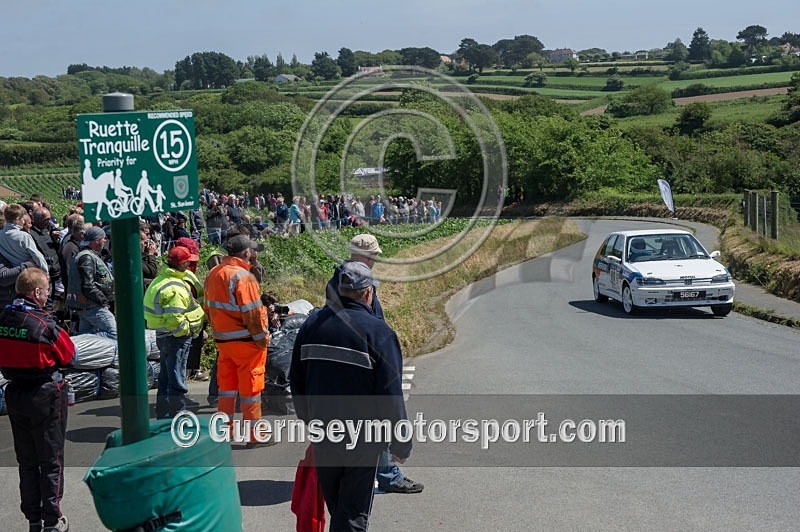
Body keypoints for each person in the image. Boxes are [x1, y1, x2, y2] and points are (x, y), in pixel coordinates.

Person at [291, 261, 412, 531]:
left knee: (338, 506)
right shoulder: (379, 332)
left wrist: (310, 420)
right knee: (352, 513)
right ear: (368, 293)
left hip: (323, 431)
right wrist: (400, 443)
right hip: (363, 438)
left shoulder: (312, 324)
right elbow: (390, 395)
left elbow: (296, 378)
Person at [325, 234, 424, 495]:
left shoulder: (347, 279)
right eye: (372, 255)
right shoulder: (347, 282)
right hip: (361, 363)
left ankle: (376, 473)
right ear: (359, 254)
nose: (375, 260)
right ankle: (388, 475)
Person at [0, 268, 75, 532]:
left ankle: (33, 518)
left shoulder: (4, 317)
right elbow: (68, 355)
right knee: (51, 459)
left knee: (27, 460)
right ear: (37, 292)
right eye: (46, 291)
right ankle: (53, 521)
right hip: (45, 393)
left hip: (15, 392)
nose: (47, 296)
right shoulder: (44, 324)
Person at [203, 235, 272, 447]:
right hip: (246, 343)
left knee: (227, 389)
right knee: (251, 390)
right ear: (245, 253)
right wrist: (263, 339)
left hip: (224, 342)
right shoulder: (244, 277)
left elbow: (208, 308)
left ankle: (224, 432)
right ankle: (255, 436)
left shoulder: (214, 273)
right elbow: (252, 314)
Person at [144, 246, 205, 419]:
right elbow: (175, 318)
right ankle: (178, 414)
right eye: (188, 261)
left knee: (165, 376)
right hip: (175, 337)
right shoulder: (175, 287)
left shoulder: (160, 280)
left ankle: (163, 414)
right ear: (183, 263)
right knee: (177, 378)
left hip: (162, 335)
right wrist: (187, 331)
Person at [65, 226, 116, 339]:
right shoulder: (86, 257)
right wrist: (103, 301)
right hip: (93, 306)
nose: (105, 241)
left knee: (85, 338)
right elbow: (88, 285)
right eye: (103, 238)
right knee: (114, 333)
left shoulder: (88, 255)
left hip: (88, 306)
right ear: (96, 240)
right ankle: (72, 343)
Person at [0, 204, 49, 274]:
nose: (24, 222)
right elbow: (37, 256)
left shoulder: (1, 235)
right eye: (23, 219)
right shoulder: (24, 236)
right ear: (17, 219)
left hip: (12, 273)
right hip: (28, 272)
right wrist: (46, 272)